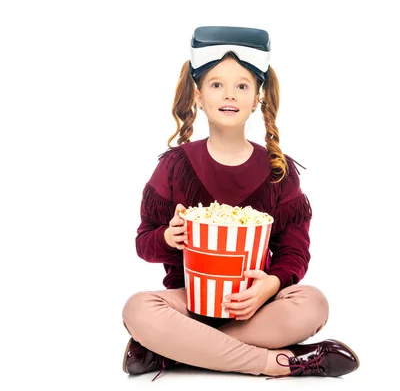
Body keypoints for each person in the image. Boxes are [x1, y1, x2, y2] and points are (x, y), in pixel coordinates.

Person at [121, 26, 360, 381]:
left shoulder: (279, 171)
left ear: (257, 97)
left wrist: (272, 284)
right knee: (138, 309)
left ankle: (172, 350)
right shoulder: (174, 165)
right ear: (198, 96)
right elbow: (144, 242)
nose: (229, 94)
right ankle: (280, 363)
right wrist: (168, 238)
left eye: (242, 85)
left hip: (255, 306)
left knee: (313, 303)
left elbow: (295, 251)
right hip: (189, 304)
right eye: (216, 84)